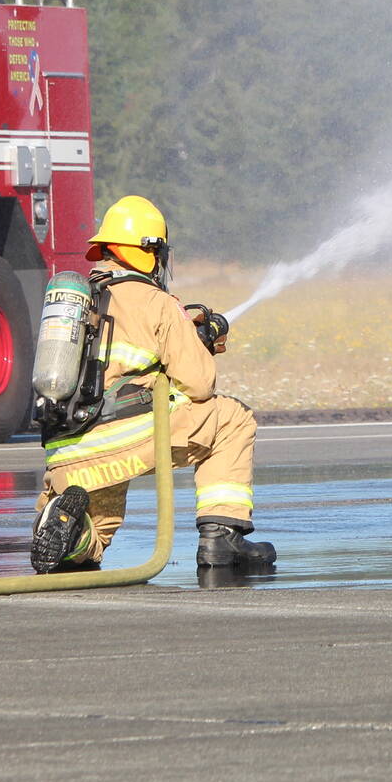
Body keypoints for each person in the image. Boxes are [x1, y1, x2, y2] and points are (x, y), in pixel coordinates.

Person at [30, 196, 275, 573]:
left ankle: (71, 531)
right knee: (232, 418)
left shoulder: (79, 303)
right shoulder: (156, 302)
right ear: (150, 251)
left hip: (67, 451)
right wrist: (199, 345)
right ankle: (221, 535)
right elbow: (198, 385)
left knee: (96, 542)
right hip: (126, 438)